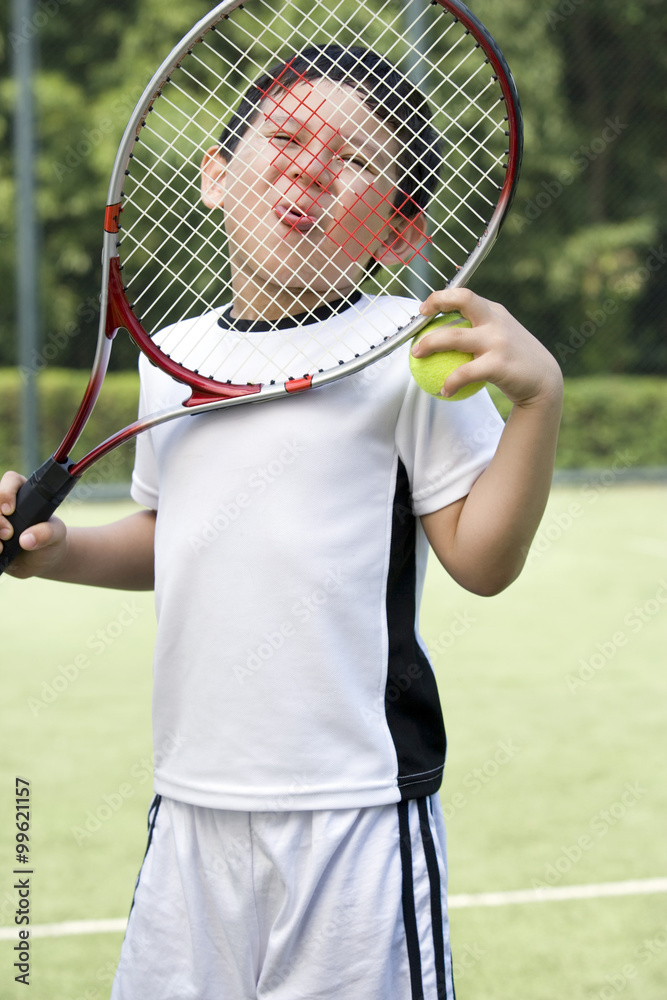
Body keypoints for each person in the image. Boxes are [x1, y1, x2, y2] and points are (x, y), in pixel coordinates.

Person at [0, 45, 563, 1000]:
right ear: (217, 175)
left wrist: (539, 402)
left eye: (350, 158)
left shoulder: (411, 353)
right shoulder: (171, 354)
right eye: (285, 135)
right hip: (191, 804)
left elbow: (480, 560)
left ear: (399, 231)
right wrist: (51, 554)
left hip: (354, 813)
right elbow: (168, 540)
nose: (306, 166)